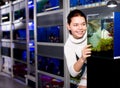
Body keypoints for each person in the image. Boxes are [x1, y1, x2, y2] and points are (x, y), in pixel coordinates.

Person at [64, 9, 91, 88]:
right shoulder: (68, 45)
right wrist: (82, 58)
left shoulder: (93, 32)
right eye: (75, 25)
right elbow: (73, 73)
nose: (80, 28)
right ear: (68, 26)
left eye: (83, 24)